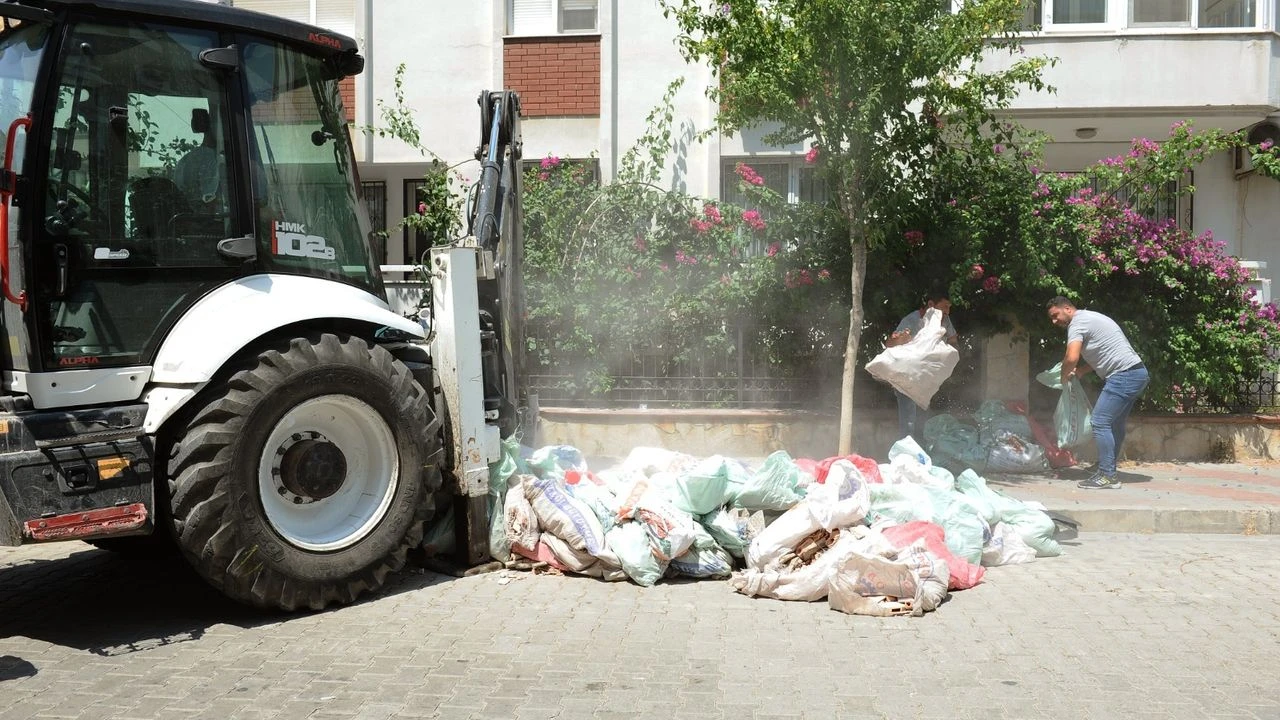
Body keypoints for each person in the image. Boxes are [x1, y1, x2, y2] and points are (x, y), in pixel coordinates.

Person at [1046, 296, 1149, 489]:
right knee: (1114, 423)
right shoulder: (1091, 318)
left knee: (1099, 421)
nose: (1054, 321)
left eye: (1055, 315)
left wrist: (1063, 375)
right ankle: (1105, 467)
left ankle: (1107, 475)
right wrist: (1082, 371)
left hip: (1123, 375)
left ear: (1067, 308)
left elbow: (1071, 356)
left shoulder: (1077, 324)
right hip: (1136, 373)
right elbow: (1104, 351)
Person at [886, 292, 958, 444]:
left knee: (922, 419)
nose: (948, 311)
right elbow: (890, 344)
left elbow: (953, 339)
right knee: (908, 420)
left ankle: (919, 454)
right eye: (945, 306)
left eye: (949, 307)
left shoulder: (944, 320)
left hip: (926, 378)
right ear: (931, 305)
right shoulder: (912, 319)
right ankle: (905, 454)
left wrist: (947, 351)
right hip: (907, 377)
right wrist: (900, 339)